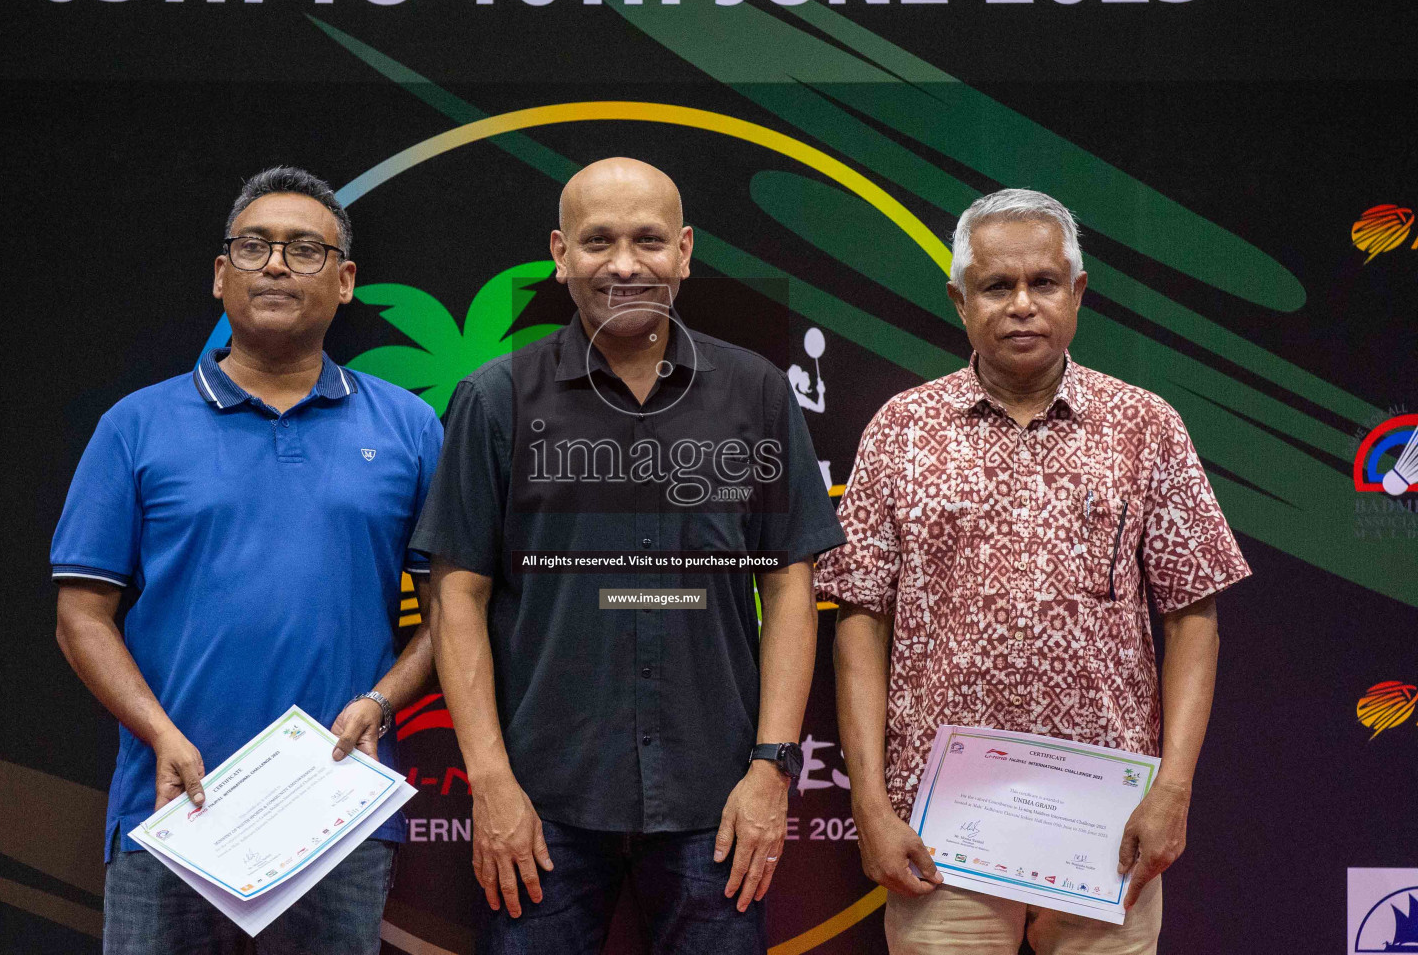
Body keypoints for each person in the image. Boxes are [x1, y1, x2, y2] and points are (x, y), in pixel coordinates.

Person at [409, 157, 845, 954]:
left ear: (684, 251)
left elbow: (789, 588)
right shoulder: (496, 398)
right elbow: (457, 597)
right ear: (559, 252)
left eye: (647, 240)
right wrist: (492, 783)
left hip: (716, 803)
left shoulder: (755, 393)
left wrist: (771, 770)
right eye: (597, 240)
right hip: (541, 804)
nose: (623, 264)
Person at [820, 188, 1250, 954]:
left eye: (1043, 283)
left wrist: (1173, 791)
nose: (1021, 304)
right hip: (941, 832)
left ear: (1077, 292)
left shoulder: (1145, 426)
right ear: (960, 301)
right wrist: (872, 809)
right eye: (996, 286)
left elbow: (1194, 616)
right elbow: (860, 620)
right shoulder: (902, 428)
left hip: (1107, 828)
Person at [51, 166, 441, 954]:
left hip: (336, 807)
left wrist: (383, 698)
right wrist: (160, 733)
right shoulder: (135, 425)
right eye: (254, 247)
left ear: (346, 280)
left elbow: (453, 614)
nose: (275, 264)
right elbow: (80, 617)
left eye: (304, 250)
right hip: (171, 806)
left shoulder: (409, 427)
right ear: (221, 275)